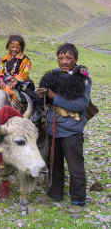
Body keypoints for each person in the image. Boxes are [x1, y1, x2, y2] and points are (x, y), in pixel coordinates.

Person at [37, 43, 92, 206]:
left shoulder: (83, 78)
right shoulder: (53, 75)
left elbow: (81, 104)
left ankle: (78, 199)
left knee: (75, 166)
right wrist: (42, 95)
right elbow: (47, 101)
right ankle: (55, 194)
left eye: (68, 58)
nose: (64, 61)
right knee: (54, 163)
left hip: (72, 130)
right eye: (61, 58)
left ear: (76, 59)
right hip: (53, 128)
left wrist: (54, 97)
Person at [0, 35, 41, 121]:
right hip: (6, 81)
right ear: (8, 46)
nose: (14, 49)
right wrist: (1, 81)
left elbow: (25, 73)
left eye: (17, 47)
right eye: (12, 47)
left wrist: (16, 81)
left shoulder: (25, 60)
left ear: (21, 48)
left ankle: (36, 112)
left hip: (21, 82)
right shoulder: (4, 59)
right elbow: (0, 71)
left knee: (34, 96)